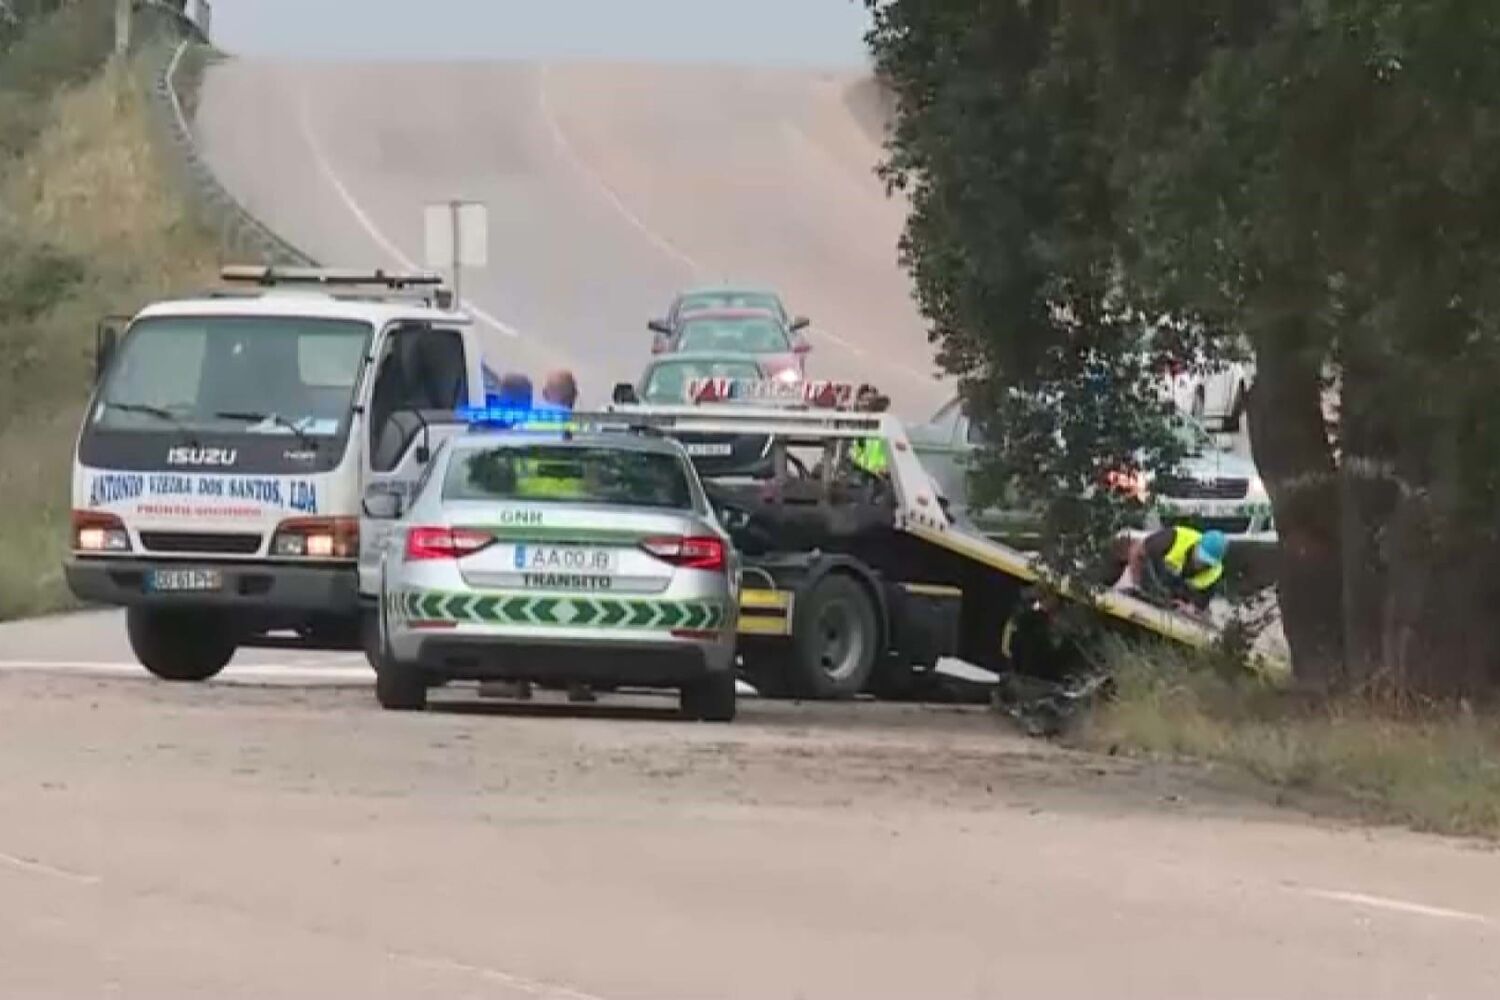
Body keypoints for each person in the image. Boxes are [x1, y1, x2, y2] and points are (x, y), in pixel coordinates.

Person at [1118, 525, 1228, 614]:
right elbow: (1138, 550)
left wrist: (1190, 608)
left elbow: (1201, 603)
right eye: (1200, 556)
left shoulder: (1215, 574)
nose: (1201, 563)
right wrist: (1136, 584)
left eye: (1207, 562)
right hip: (1149, 579)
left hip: (1176, 598)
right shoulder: (1173, 537)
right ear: (1197, 544)